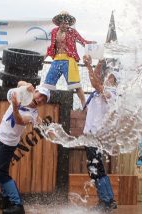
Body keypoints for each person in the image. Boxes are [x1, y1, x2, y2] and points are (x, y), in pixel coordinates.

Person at [0, 81, 50, 214]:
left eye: (43, 100)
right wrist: (27, 84)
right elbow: (19, 82)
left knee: (1, 172)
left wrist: (15, 108)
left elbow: (20, 121)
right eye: (40, 95)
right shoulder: (25, 94)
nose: (40, 100)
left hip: (8, 143)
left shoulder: (33, 115)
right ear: (35, 91)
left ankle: (18, 205)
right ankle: (6, 199)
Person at [82, 54, 119, 212]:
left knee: (98, 169)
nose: (106, 77)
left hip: (96, 137)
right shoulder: (99, 93)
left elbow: (95, 82)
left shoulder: (112, 93)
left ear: (113, 79)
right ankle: (105, 200)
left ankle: (108, 201)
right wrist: (97, 63)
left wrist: (89, 66)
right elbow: (96, 80)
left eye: (109, 76)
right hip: (89, 135)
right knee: (94, 169)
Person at [44, 11, 96, 108]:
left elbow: (83, 42)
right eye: (63, 22)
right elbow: (51, 47)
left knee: (76, 85)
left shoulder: (72, 32)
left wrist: (92, 43)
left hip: (69, 61)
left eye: (67, 23)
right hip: (56, 60)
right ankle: (46, 105)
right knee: (48, 84)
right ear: (59, 22)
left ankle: (84, 105)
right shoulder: (54, 31)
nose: (65, 25)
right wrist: (44, 56)